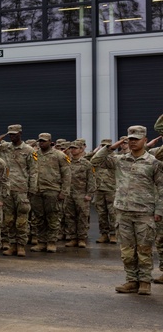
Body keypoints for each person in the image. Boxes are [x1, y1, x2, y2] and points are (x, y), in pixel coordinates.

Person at [92, 126, 163, 295]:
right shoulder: (120, 160)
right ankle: (131, 281)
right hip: (123, 212)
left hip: (145, 212)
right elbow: (95, 161)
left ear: (145, 140)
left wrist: (159, 210)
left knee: (144, 249)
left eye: (136, 139)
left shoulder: (154, 162)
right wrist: (111, 147)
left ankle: (144, 282)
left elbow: (161, 187)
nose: (132, 142)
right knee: (127, 251)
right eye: (130, 139)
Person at [0, 124, 37, 257]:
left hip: (22, 189)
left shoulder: (29, 150)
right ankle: (12, 244)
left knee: (22, 220)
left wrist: (32, 189)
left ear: (20, 133)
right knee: (8, 219)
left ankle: (21, 245)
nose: (12, 136)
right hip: (7, 189)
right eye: (10, 134)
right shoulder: (5, 147)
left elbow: (34, 171)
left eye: (14, 134)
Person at [31, 132, 71, 253]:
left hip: (52, 190)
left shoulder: (59, 155)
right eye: (40, 141)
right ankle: (41, 242)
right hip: (37, 190)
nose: (42, 143)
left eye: (44, 141)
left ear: (50, 142)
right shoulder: (34, 154)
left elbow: (67, 174)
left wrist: (64, 191)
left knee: (53, 217)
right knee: (39, 218)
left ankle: (51, 242)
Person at [63, 141, 95, 248]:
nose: (72, 150)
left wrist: (89, 194)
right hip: (69, 194)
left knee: (82, 217)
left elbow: (91, 180)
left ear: (81, 149)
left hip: (81, 194)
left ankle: (82, 238)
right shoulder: (67, 162)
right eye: (71, 148)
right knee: (70, 216)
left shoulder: (87, 164)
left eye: (75, 148)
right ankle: (72, 238)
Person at [92, 138, 117, 244]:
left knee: (112, 213)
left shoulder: (114, 157)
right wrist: (96, 152)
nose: (103, 148)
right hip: (99, 189)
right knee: (101, 213)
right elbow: (92, 162)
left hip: (111, 189)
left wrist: (106, 154)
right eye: (102, 146)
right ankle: (104, 234)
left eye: (106, 146)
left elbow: (112, 165)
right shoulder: (96, 157)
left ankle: (113, 234)